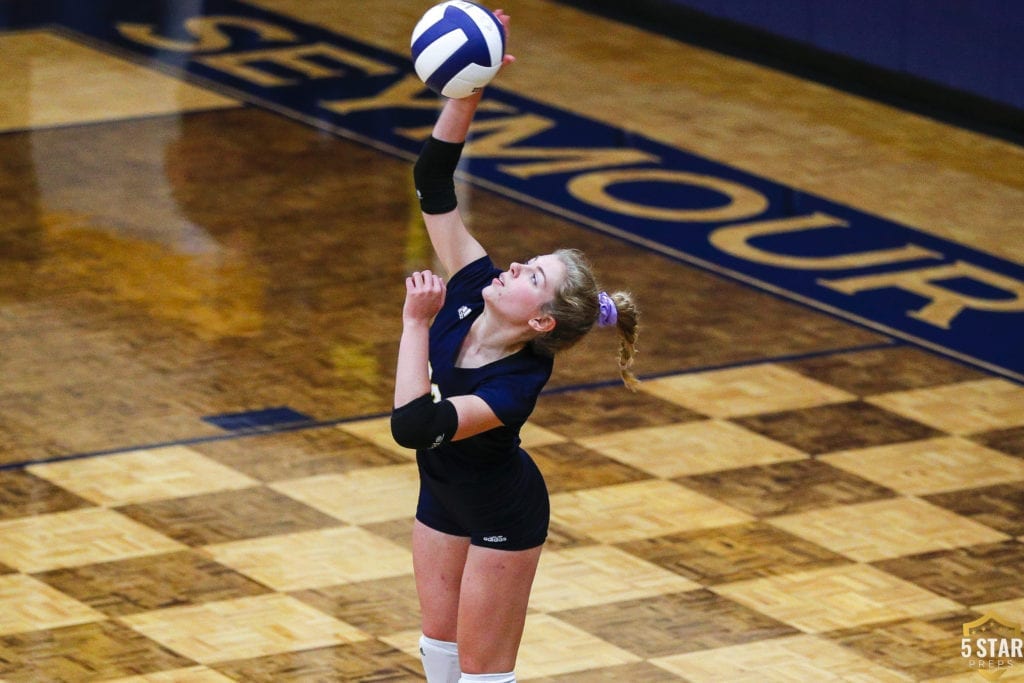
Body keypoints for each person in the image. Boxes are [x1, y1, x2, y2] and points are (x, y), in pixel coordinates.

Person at [390, 10, 640, 683]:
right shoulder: (470, 283)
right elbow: (434, 180)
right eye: (528, 260)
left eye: (534, 277)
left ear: (540, 323)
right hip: (442, 496)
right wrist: (468, 89)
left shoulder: (513, 387)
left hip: (506, 512)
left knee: (482, 673)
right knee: (436, 651)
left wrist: (416, 325)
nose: (514, 268)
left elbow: (414, 426)